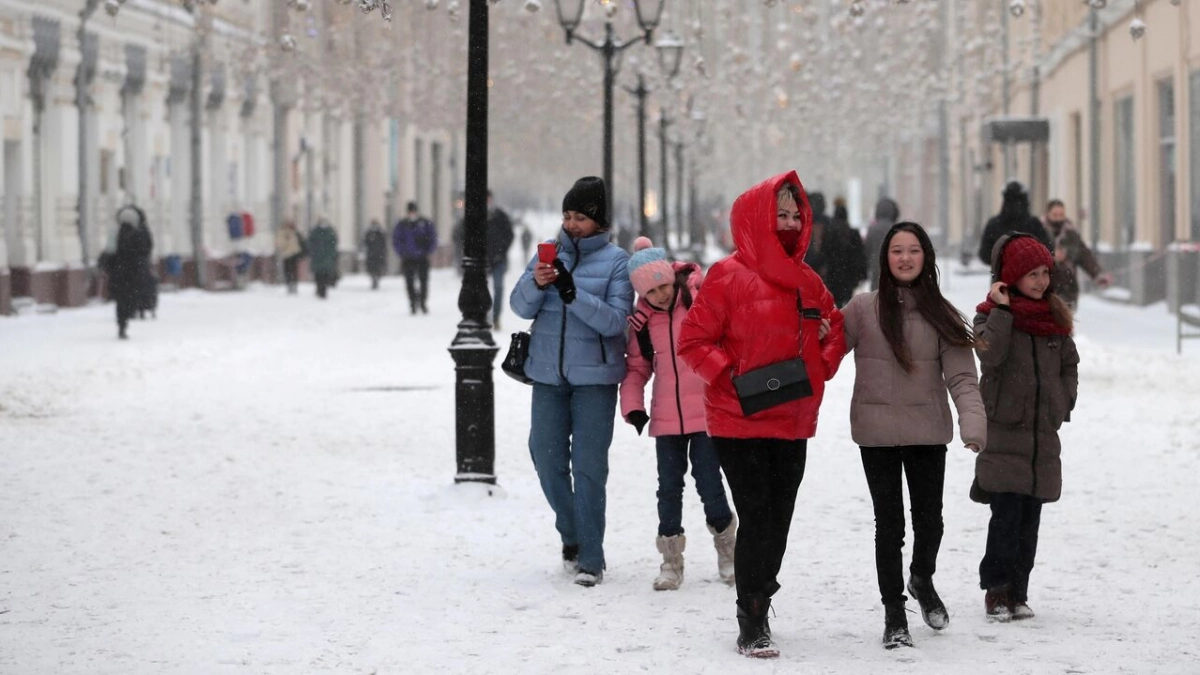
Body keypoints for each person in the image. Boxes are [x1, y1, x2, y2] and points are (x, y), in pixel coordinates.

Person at [677, 171, 845, 658]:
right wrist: (733, 378)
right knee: (757, 514)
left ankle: (761, 593)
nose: (790, 224)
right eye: (781, 216)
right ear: (757, 220)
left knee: (780, 517)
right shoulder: (726, 276)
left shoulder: (809, 282)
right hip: (739, 419)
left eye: (796, 216)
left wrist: (821, 362)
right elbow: (694, 340)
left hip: (792, 417)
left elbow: (835, 332)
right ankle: (751, 616)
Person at [841, 221, 987, 649]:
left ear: (926, 257)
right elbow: (824, 354)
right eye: (897, 251)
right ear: (885, 258)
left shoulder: (940, 313)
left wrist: (973, 423)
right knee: (889, 527)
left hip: (927, 433)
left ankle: (922, 578)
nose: (905, 258)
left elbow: (962, 377)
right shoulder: (862, 310)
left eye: (914, 250)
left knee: (930, 523)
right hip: (875, 434)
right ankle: (893, 614)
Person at [509, 176, 633, 588]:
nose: (571, 223)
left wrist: (570, 291)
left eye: (580, 216)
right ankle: (572, 533)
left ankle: (591, 560)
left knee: (589, 467)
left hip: (595, 379)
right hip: (547, 373)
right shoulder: (550, 253)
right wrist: (536, 282)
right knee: (545, 457)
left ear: (598, 220)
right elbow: (518, 306)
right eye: (567, 215)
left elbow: (616, 323)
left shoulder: (616, 262)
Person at [619, 236, 736, 592]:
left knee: (710, 484)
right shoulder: (642, 324)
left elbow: (725, 343)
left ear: (673, 277)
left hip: (705, 413)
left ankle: (728, 551)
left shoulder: (699, 304)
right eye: (651, 292)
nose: (660, 295)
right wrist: (633, 406)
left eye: (664, 286)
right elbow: (637, 368)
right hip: (666, 418)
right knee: (668, 489)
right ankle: (671, 561)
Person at [972, 233, 1079, 623]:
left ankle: (1019, 592)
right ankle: (996, 590)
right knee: (1005, 518)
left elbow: (1070, 364)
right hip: (1004, 433)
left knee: (1029, 523)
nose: (1039, 281)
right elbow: (990, 357)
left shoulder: (1055, 317)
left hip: (1040, 438)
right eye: (1031, 273)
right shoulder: (988, 316)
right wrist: (1002, 312)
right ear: (1010, 277)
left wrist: (1063, 401)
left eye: (1044, 273)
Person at [1042, 199, 1113, 310]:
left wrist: (1098, 274)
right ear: (1048, 215)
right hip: (1044, 288)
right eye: (1055, 215)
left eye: (1061, 214)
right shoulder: (1039, 231)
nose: (1058, 218)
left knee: (1064, 324)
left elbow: (1085, 256)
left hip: (1067, 288)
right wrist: (1051, 256)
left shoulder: (1072, 234)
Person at [977, 181, 1053, 267]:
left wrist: (1002, 261)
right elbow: (1047, 250)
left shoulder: (994, 224)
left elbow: (984, 254)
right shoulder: (1034, 224)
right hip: (1029, 274)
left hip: (1003, 276)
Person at [106, 205, 154, 339]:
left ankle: (122, 323)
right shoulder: (140, 232)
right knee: (131, 297)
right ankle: (130, 315)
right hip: (134, 273)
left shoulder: (115, 232)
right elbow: (147, 249)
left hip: (119, 273)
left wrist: (110, 267)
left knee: (121, 300)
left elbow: (109, 252)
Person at [820, 197, 868, 307]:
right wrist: (861, 272)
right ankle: (845, 320)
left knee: (835, 301)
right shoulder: (853, 233)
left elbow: (824, 253)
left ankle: (838, 319)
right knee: (847, 300)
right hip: (849, 273)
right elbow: (859, 255)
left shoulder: (829, 233)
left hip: (833, 273)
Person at [393, 201, 438, 314]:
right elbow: (396, 240)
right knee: (409, 282)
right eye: (410, 212)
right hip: (408, 258)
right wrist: (402, 252)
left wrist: (428, 250)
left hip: (422, 257)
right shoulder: (402, 224)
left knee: (423, 281)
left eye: (413, 211)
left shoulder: (424, 223)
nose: (412, 214)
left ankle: (422, 302)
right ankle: (413, 302)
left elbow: (432, 237)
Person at [486, 190, 515, 329]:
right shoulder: (477, 216)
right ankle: (485, 314)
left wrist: (501, 251)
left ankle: (496, 316)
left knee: (498, 287)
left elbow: (509, 235)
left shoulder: (500, 216)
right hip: (482, 260)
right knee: (481, 289)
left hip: (498, 259)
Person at [864, 197, 901, 291]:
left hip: (877, 267)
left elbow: (867, 249)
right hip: (894, 268)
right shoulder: (897, 229)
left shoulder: (872, 229)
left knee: (876, 296)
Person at [308, 217, 339, 299]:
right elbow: (310, 244)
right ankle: (320, 289)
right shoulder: (316, 232)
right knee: (319, 275)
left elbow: (334, 244)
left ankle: (322, 289)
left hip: (325, 258)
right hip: (319, 258)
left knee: (325, 275)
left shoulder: (329, 232)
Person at [276, 220, 306, 294]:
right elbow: (279, 243)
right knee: (287, 270)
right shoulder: (282, 233)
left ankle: (294, 285)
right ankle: (289, 284)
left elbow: (300, 242)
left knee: (294, 270)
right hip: (286, 254)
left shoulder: (295, 232)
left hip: (294, 253)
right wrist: (286, 241)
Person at [364, 219, 388, 290]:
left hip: (378, 254)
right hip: (372, 254)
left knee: (378, 268)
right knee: (372, 268)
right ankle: (374, 279)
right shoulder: (369, 233)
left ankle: (376, 277)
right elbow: (366, 242)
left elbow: (383, 243)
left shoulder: (380, 233)